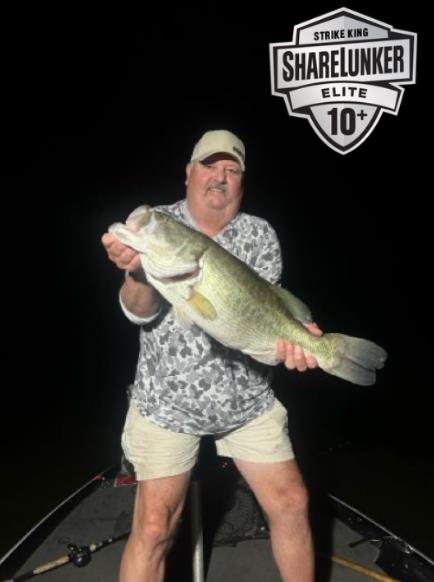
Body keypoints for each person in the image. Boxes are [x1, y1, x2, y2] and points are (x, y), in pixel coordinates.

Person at [101, 129, 322, 582]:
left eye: (231, 169)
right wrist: (137, 272)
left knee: (292, 501)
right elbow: (140, 312)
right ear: (188, 172)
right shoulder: (162, 223)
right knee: (154, 526)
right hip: (167, 402)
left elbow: (262, 319)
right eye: (209, 165)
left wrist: (295, 343)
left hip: (245, 401)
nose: (220, 177)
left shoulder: (259, 234)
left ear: (241, 181)